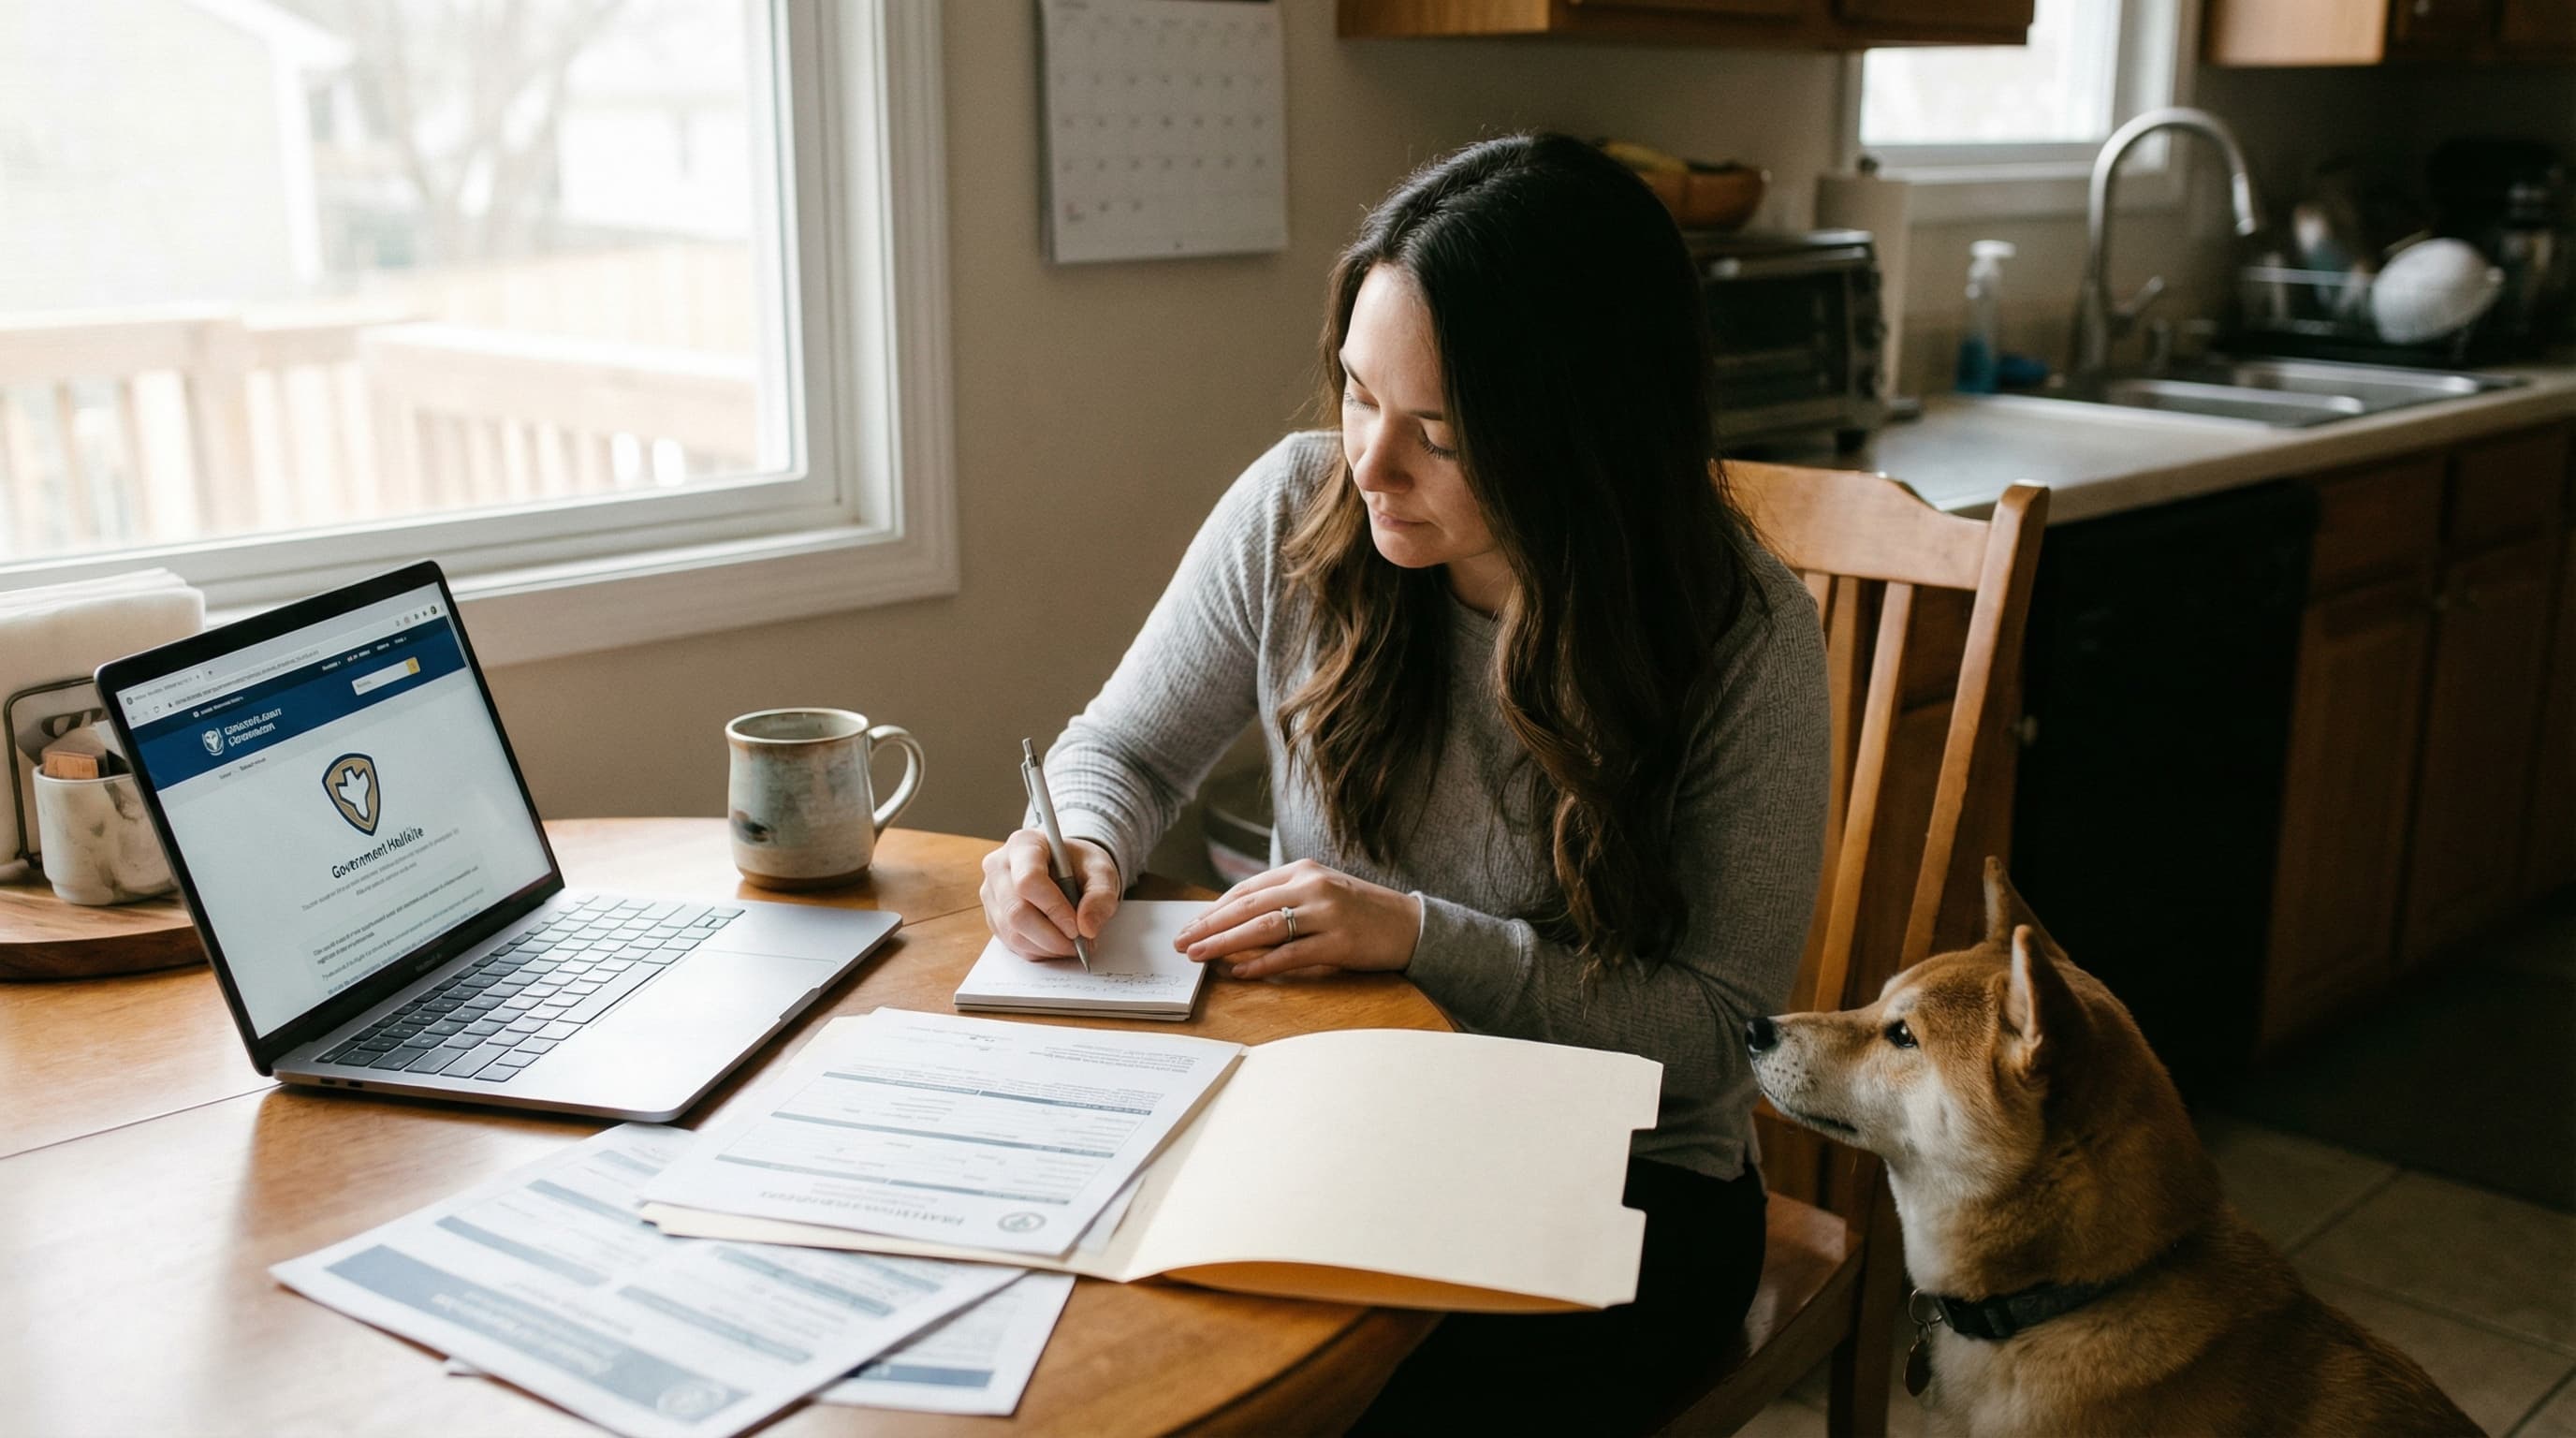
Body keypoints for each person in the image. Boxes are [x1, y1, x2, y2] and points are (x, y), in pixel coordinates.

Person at [977, 132, 1829, 1431]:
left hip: (1622, 1181)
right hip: (1332, 1114)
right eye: (1357, 394)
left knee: (1328, 1405)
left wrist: (1424, 940)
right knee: (1066, 1310)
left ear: (1580, 436)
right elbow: (1123, 751)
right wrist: (1076, 839)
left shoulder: (1741, 639)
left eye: (1436, 431)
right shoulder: (1299, 510)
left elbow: (1720, 1032)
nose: (1370, 464)